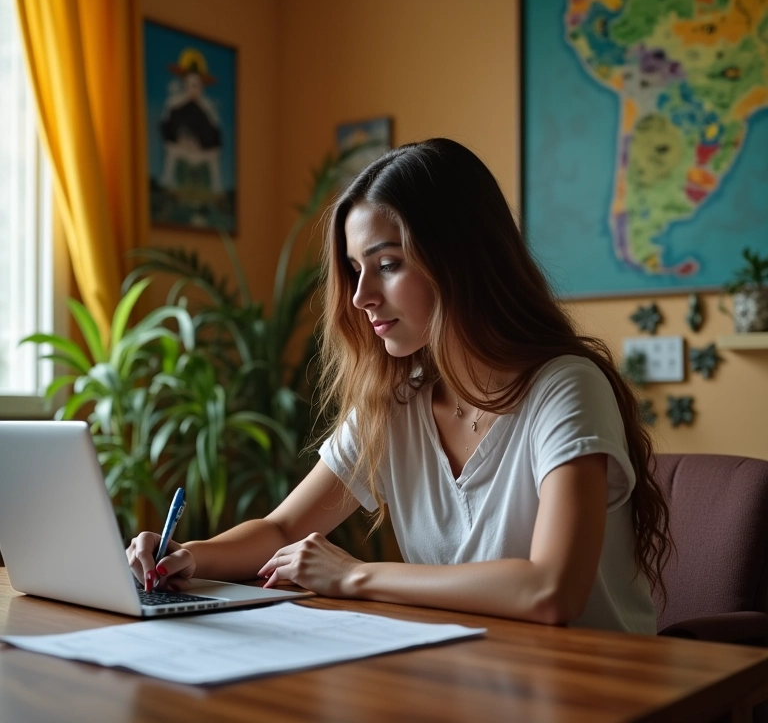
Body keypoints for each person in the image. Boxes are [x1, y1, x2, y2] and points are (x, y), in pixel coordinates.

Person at [128, 137, 671, 632]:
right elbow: (281, 529)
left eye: (387, 264)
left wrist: (353, 576)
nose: (360, 296)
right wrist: (188, 555)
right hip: (471, 683)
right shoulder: (397, 401)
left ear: (461, 260)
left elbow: (552, 590)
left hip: (594, 691)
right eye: (354, 269)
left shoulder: (566, 388)